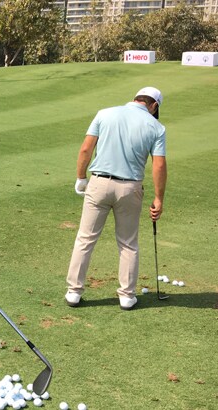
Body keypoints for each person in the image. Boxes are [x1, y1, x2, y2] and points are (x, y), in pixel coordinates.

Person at [65, 87, 167, 311]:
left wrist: (81, 178)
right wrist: (158, 198)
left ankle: (74, 292)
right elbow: (159, 165)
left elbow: (85, 149)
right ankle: (127, 296)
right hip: (130, 189)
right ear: (154, 105)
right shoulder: (156, 127)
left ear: (135, 99)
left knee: (85, 239)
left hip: (99, 184)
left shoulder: (104, 113)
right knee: (128, 243)